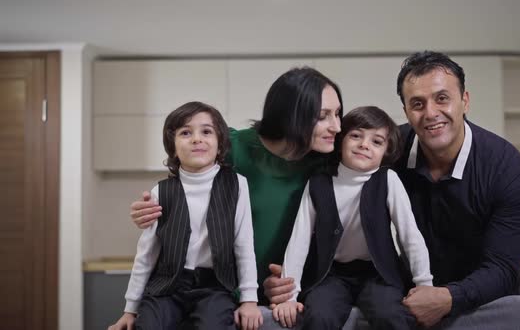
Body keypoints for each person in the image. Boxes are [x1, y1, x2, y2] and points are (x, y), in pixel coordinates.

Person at [395, 51, 520, 329]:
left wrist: (448, 297)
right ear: (406, 112)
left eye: (442, 98)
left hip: (485, 305)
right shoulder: (389, 151)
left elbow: (502, 269)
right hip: (410, 301)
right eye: (417, 103)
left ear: (464, 101)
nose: (430, 113)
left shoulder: (507, 168)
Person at [128, 67, 343, 308]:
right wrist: (149, 211)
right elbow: (181, 195)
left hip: (280, 299)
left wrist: (295, 276)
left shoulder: (327, 166)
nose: (337, 126)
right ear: (290, 114)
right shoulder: (233, 148)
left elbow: (336, 239)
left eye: (337, 114)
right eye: (323, 116)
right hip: (217, 295)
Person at [272, 106, 433, 329]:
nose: (364, 145)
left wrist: (424, 283)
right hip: (331, 274)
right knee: (319, 316)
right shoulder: (319, 182)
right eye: (356, 135)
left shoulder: (388, 180)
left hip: (377, 273)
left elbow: (409, 235)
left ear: (387, 150)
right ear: (341, 140)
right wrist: (289, 297)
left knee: (391, 315)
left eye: (376, 141)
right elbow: (300, 240)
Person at [109, 102, 262, 330]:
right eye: (185, 132)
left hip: (215, 287)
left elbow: (244, 244)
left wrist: (249, 300)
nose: (196, 139)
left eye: (206, 131)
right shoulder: (160, 191)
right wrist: (130, 310)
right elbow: (146, 254)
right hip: (167, 287)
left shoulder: (237, 185)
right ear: (172, 148)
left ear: (220, 145)